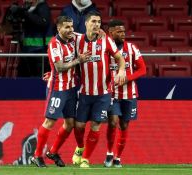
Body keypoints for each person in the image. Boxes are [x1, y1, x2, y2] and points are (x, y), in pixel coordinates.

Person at [30, 16, 91, 168]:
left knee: (70, 123)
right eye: (66, 27)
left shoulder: (73, 37)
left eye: (71, 26)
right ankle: (37, 156)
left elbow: (90, 34)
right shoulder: (54, 44)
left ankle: (53, 151)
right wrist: (79, 60)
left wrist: (101, 32)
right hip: (57, 88)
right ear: (58, 28)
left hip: (70, 88)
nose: (70, 30)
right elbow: (59, 67)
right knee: (50, 121)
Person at [71, 11, 126, 168]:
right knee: (79, 126)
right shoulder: (77, 39)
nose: (96, 24)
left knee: (96, 125)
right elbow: (60, 30)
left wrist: (121, 70)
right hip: (84, 92)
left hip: (103, 94)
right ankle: (80, 147)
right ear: (86, 23)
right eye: (93, 21)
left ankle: (86, 159)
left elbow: (120, 59)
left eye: (99, 22)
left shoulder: (106, 40)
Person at [104, 19, 146, 168]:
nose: (123, 34)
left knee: (124, 125)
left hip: (130, 94)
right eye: (119, 32)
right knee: (112, 122)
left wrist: (127, 78)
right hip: (112, 94)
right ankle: (109, 153)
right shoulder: (106, 49)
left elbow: (143, 69)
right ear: (111, 33)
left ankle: (118, 157)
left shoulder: (132, 48)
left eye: (123, 31)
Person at [15, 0, 53, 77]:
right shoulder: (27, 9)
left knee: (38, 80)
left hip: (40, 52)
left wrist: (25, 14)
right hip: (27, 50)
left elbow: (42, 22)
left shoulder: (43, 8)